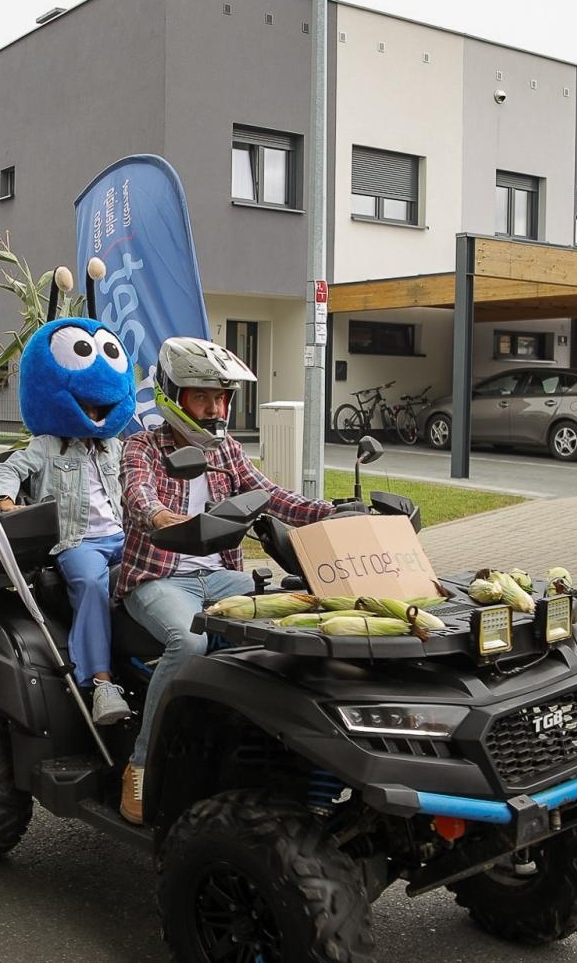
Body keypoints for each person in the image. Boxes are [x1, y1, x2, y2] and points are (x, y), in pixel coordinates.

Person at [116, 337, 339, 824]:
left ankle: (270, 754)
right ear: (175, 396)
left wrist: (337, 511)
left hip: (220, 580)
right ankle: (141, 762)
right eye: (203, 397)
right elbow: (138, 494)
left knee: (299, 615)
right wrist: (162, 518)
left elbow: (273, 497)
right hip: (157, 579)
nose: (215, 409)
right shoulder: (143, 446)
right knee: (189, 641)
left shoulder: (229, 451)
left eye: (221, 398)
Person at [0, 317, 137, 726]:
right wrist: (5, 501)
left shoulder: (115, 448)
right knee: (91, 583)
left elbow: (138, 482)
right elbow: (9, 471)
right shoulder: (47, 445)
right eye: (88, 407)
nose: (93, 412)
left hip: (121, 537)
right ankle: (102, 684)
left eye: (98, 407)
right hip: (77, 543)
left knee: (166, 565)